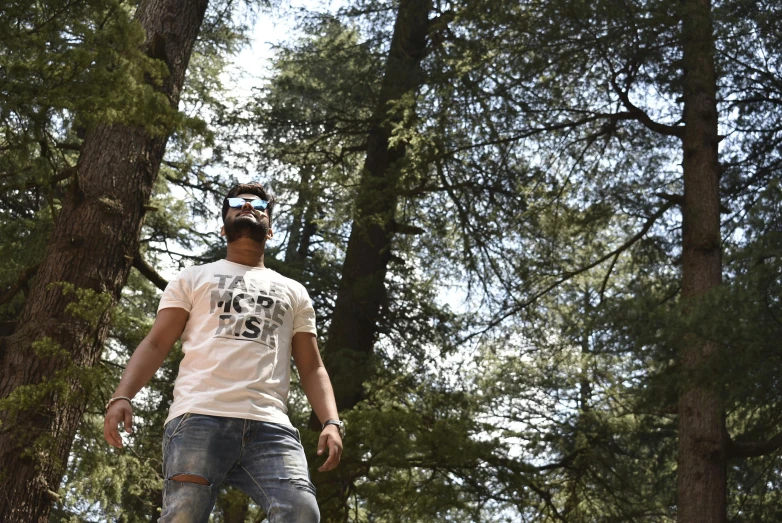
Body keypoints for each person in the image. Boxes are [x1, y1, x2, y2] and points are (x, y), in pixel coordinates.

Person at [104, 182, 342, 522]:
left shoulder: (294, 292)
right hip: (199, 417)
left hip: (271, 427)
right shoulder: (193, 278)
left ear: (270, 229)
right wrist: (122, 395)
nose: (247, 206)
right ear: (223, 227)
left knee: (302, 511)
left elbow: (312, 367)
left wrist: (331, 421)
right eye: (237, 203)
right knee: (183, 517)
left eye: (258, 205)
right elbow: (156, 342)